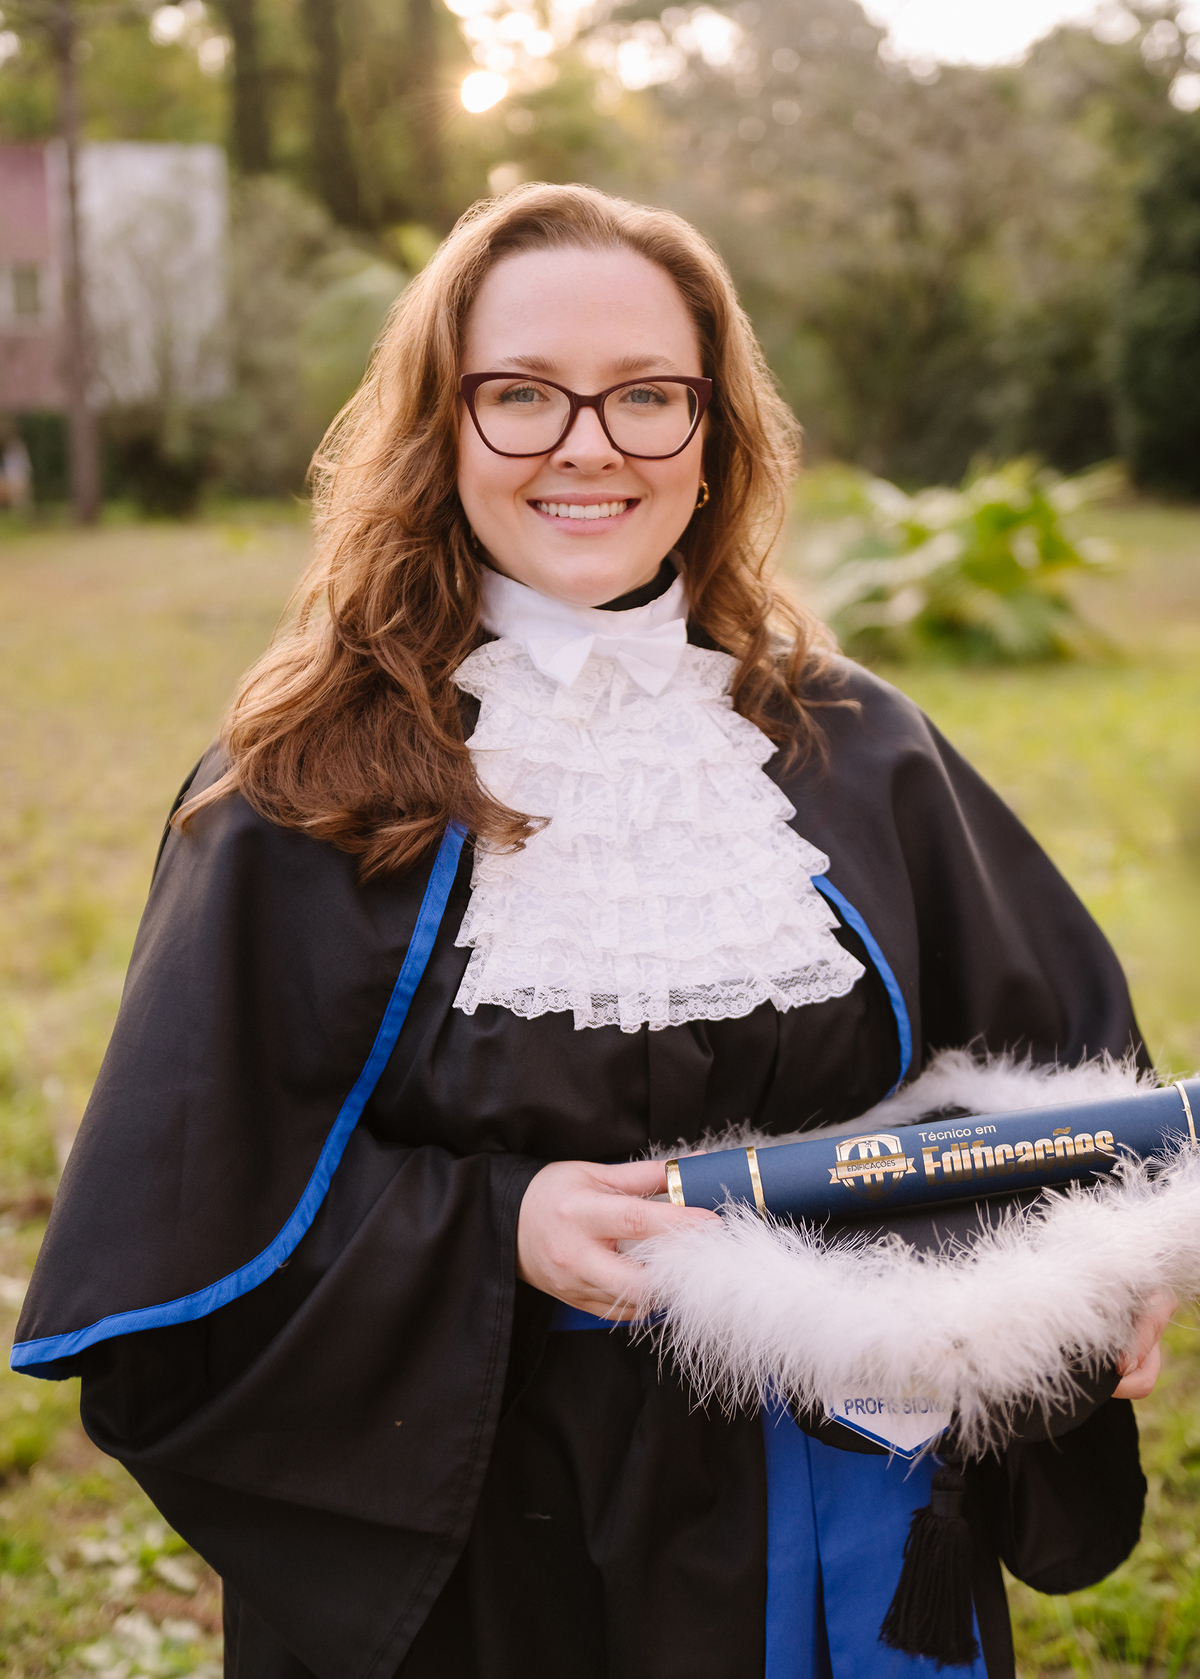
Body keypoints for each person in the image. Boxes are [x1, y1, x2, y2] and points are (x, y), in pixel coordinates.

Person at [13, 184, 1167, 1679]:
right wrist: (504, 1230)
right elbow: (187, 1219)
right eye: (522, 397)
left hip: (843, 1502)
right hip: (486, 1533)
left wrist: (1093, 1266)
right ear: (443, 424)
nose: (589, 445)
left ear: (714, 432)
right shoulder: (291, 788)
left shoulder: (856, 742)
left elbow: (1050, 1074)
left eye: (646, 397)